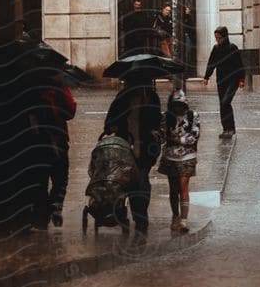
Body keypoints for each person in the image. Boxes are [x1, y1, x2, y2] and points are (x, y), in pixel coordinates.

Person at [104, 79, 162, 234]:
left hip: (145, 149)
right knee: (125, 184)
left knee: (141, 182)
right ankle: (124, 215)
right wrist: (112, 126)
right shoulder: (122, 98)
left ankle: (140, 219)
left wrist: (154, 131)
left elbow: (156, 121)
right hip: (124, 148)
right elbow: (110, 121)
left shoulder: (151, 97)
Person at [37, 69, 76, 228]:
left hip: (37, 141)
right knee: (60, 178)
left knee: (41, 180)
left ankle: (42, 215)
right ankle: (55, 205)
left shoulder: (32, 89)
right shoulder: (60, 89)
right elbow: (70, 112)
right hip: (58, 138)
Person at [159, 93, 200, 231]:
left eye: (180, 105)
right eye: (175, 105)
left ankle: (183, 220)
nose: (178, 108)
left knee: (183, 187)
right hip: (170, 157)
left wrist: (178, 140)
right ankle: (175, 216)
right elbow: (163, 135)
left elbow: (194, 136)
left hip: (188, 157)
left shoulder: (193, 116)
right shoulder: (166, 117)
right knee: (173, 189)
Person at [203, 26, 246, 137]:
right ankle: (225, 128)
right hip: (221, 80)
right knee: (222, 104)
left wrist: (241, 79)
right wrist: (207, 76)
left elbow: (239, 65)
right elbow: (211, 63)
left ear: (225, 37)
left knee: (225, 102)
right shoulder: (216, 49)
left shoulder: (233, 48)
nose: (218, 40)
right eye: (216, 38)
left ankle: (231, 128)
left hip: (233, 79)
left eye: (219, 37)